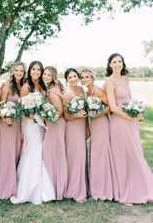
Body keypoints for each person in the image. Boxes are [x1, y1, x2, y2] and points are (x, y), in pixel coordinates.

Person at [104, 53, 153, 206]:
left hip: (131, 122)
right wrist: (130, 117)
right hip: (119, 122)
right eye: (114, 62)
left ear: (122, 63)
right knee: (122, 156)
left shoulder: (125, 79)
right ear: (110, 65)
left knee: (136, 153)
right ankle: (125, 193)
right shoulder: (110, 82)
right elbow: (113, 107)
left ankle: (143, 188)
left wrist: (136, 114)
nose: (117, 64)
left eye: (119, 61)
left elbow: (130, 100)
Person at [10, 61, 55, 205]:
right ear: (29, 71)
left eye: (39, 69)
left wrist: (45, 115)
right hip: (30, 123)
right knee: (34, 149)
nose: (36, 71)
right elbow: (24, 110)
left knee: (39, 150)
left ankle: (41, 185)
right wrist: (37, 117)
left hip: (41, 123)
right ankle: (29, 189)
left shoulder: (42, 85)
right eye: (33, 69)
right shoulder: (26, 87)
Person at [81, 69, 115, 201]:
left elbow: (110, 106)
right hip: (94, 124)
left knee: (101, 155)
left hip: (101, 124)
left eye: (87, 77)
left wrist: (97, 114)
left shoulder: (97, 90)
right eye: (82, 77)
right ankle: (97, 187)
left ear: (92, 78)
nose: (84, 79)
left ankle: (104, 190)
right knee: (95, 155)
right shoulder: (87, 92)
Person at [0, 62, 26, 199]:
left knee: (17, 152)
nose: (19, 73)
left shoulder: (25, 86)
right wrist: (5, 116)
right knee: (7, 154)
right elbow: (1, 104)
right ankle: (5, 186)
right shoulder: (7, 85)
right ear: (12, 71)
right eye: (16, 70)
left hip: (19, 123)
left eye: (21, 70)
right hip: (7, 124)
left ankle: (16, 183)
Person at [42, 66, 67, 200]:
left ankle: (56, 188)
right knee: (55, 153)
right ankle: (54, 186)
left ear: (53, 77)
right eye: (44, 74)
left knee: (51, 153)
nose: (45, 76)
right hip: (54, 124)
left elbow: (59, 111)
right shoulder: (53, 88)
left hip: (55, 124)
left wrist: (46, 117)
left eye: (49, 75)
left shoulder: (52, 91)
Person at [63, 68, 88, 202]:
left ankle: (82, 187)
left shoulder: (82, 90)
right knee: (75, 157)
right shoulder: (67, 94)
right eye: (70, 77)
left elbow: (87, 110)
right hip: (72, 126)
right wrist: (76, 115)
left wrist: (87, 128)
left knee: (82, 156)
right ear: (66, 79)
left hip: (82, 125)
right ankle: (75, 191)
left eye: (75, 76)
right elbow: (66, 115)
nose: (73, 79)